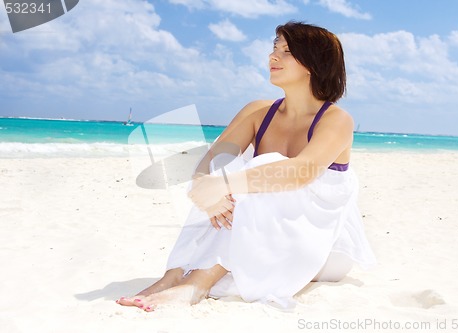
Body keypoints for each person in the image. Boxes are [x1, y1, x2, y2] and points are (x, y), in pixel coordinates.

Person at [117, 21, 376, 312]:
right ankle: (174, 275)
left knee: (263, 169)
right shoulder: (258, 112)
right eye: (274, 48)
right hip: (269, 235)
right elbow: (210, 163)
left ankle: (199, 281)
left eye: (286, 51)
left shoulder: (336, 120)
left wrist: (223, 185)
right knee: (226, 171)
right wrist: (211, 192)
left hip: (325, 245)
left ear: (314, 64)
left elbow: (299, 173)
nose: (273, 57)